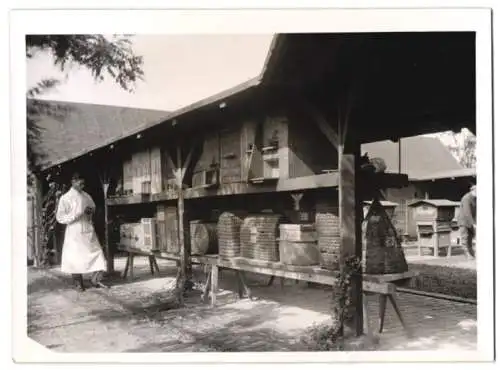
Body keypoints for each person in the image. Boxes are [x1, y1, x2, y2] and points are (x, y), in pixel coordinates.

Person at [56, 172, 109, 291]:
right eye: (79, 181)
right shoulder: (65, 198)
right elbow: (60, 218)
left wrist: (90, 211)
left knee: (97, 254)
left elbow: (92, 207)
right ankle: (78, 283)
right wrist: (77, 214)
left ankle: (95, 279)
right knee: (75, 257)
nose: (82, 184)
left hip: (87, 228)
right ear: (73, 182)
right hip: (74, 230)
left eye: (83, 182)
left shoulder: (86, 195)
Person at [458, 184, 477, 259]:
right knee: (465, 237)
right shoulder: (466, 198)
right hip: (464, 221)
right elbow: (467, 212)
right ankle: (467, 254)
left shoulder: (475, 198)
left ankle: (471, 253)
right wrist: (473, 224)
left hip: (471, 221)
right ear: (474, 191)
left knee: (470, 238)